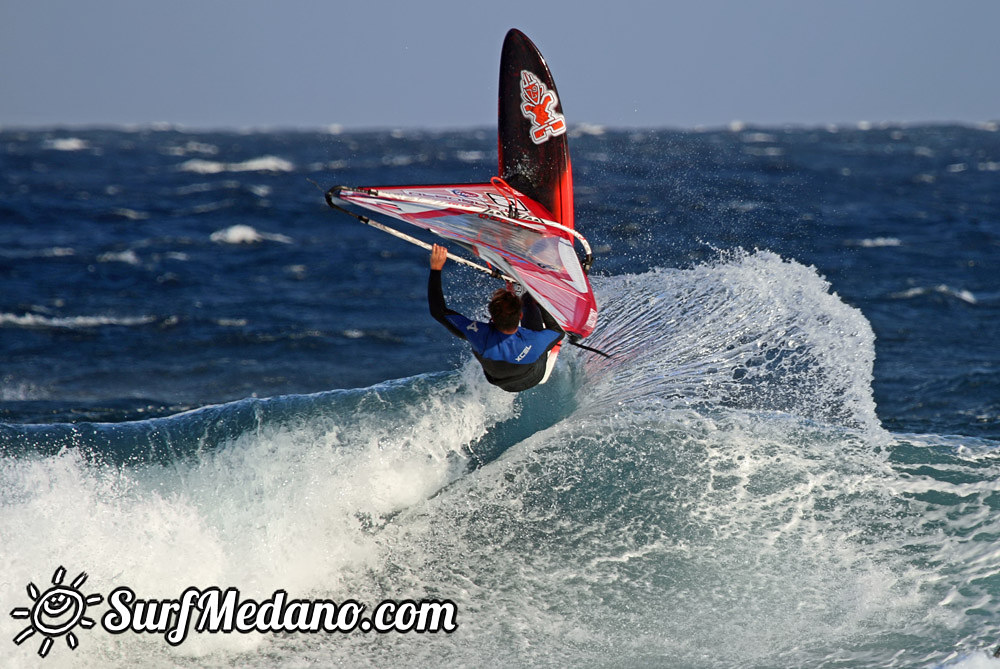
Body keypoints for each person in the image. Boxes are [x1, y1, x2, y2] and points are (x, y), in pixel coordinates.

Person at [428, 243, 564, 392]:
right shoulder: (534, 340)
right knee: (532, 305)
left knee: (476, 343)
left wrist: (436, 268)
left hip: (501, 383)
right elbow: (558, 331)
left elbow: (438, 311)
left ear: (492, 316)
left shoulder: (479, 334)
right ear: (520, 315)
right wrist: (540, 299)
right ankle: (526, 295)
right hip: (534, 375)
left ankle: (522, 293)